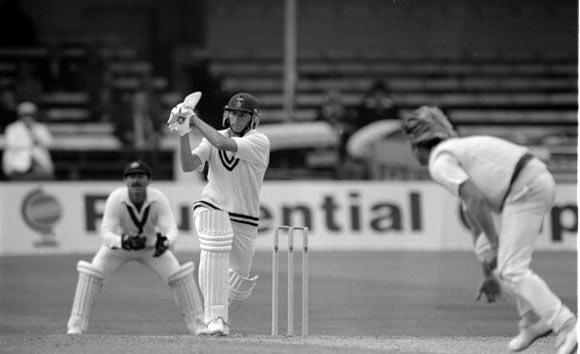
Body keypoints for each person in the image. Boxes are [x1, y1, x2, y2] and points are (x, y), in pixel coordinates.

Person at [401, 106, 577, 354]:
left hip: (524, 188)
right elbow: (474, 221)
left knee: (512, 268)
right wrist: (489, 274)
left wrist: (497, 244)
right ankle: (532, 322)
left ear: (418, 146)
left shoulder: (439, 161)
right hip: (526, 184)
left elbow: (475, 201)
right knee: (502, 262)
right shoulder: (457, 151)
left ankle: (567, 325)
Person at [167, 92, 270, 336]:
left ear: (252, 119)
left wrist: (193, 120)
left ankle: (211, 317)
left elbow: (223, 145)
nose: (236, 118)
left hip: (244, 218)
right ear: (226, 114)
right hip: (211, 206)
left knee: (238, 284)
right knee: (213, 247)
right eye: (233, 112)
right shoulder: (213, 136)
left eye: (242, 114)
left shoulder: (259, 141)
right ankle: (216, 318)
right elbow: (189, 165)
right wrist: (184, 136)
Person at [66, 161, 207, 335]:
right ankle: (76, 326)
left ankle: (199, 326)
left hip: (151, 247)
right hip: (121, 247)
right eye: (132, 177)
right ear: (125, 181)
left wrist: (166, 243)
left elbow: (171, 229)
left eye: (140, 177)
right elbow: (105, 233)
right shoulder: (116, 199)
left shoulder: (157, 198)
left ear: (148, 180)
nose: (136, 181)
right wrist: (123, 241)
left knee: (180, 276)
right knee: (91, 273)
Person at [2, 101, 54, 180]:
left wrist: (32, 132)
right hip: (18, 164)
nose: (28, 117)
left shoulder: (40, 127)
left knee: (44, 178)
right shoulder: (12, 128)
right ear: (20, 115)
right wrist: (30, 143)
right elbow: (10, 144)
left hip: (39, 164)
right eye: (25, 114)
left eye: (30, 114)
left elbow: (49, 143)